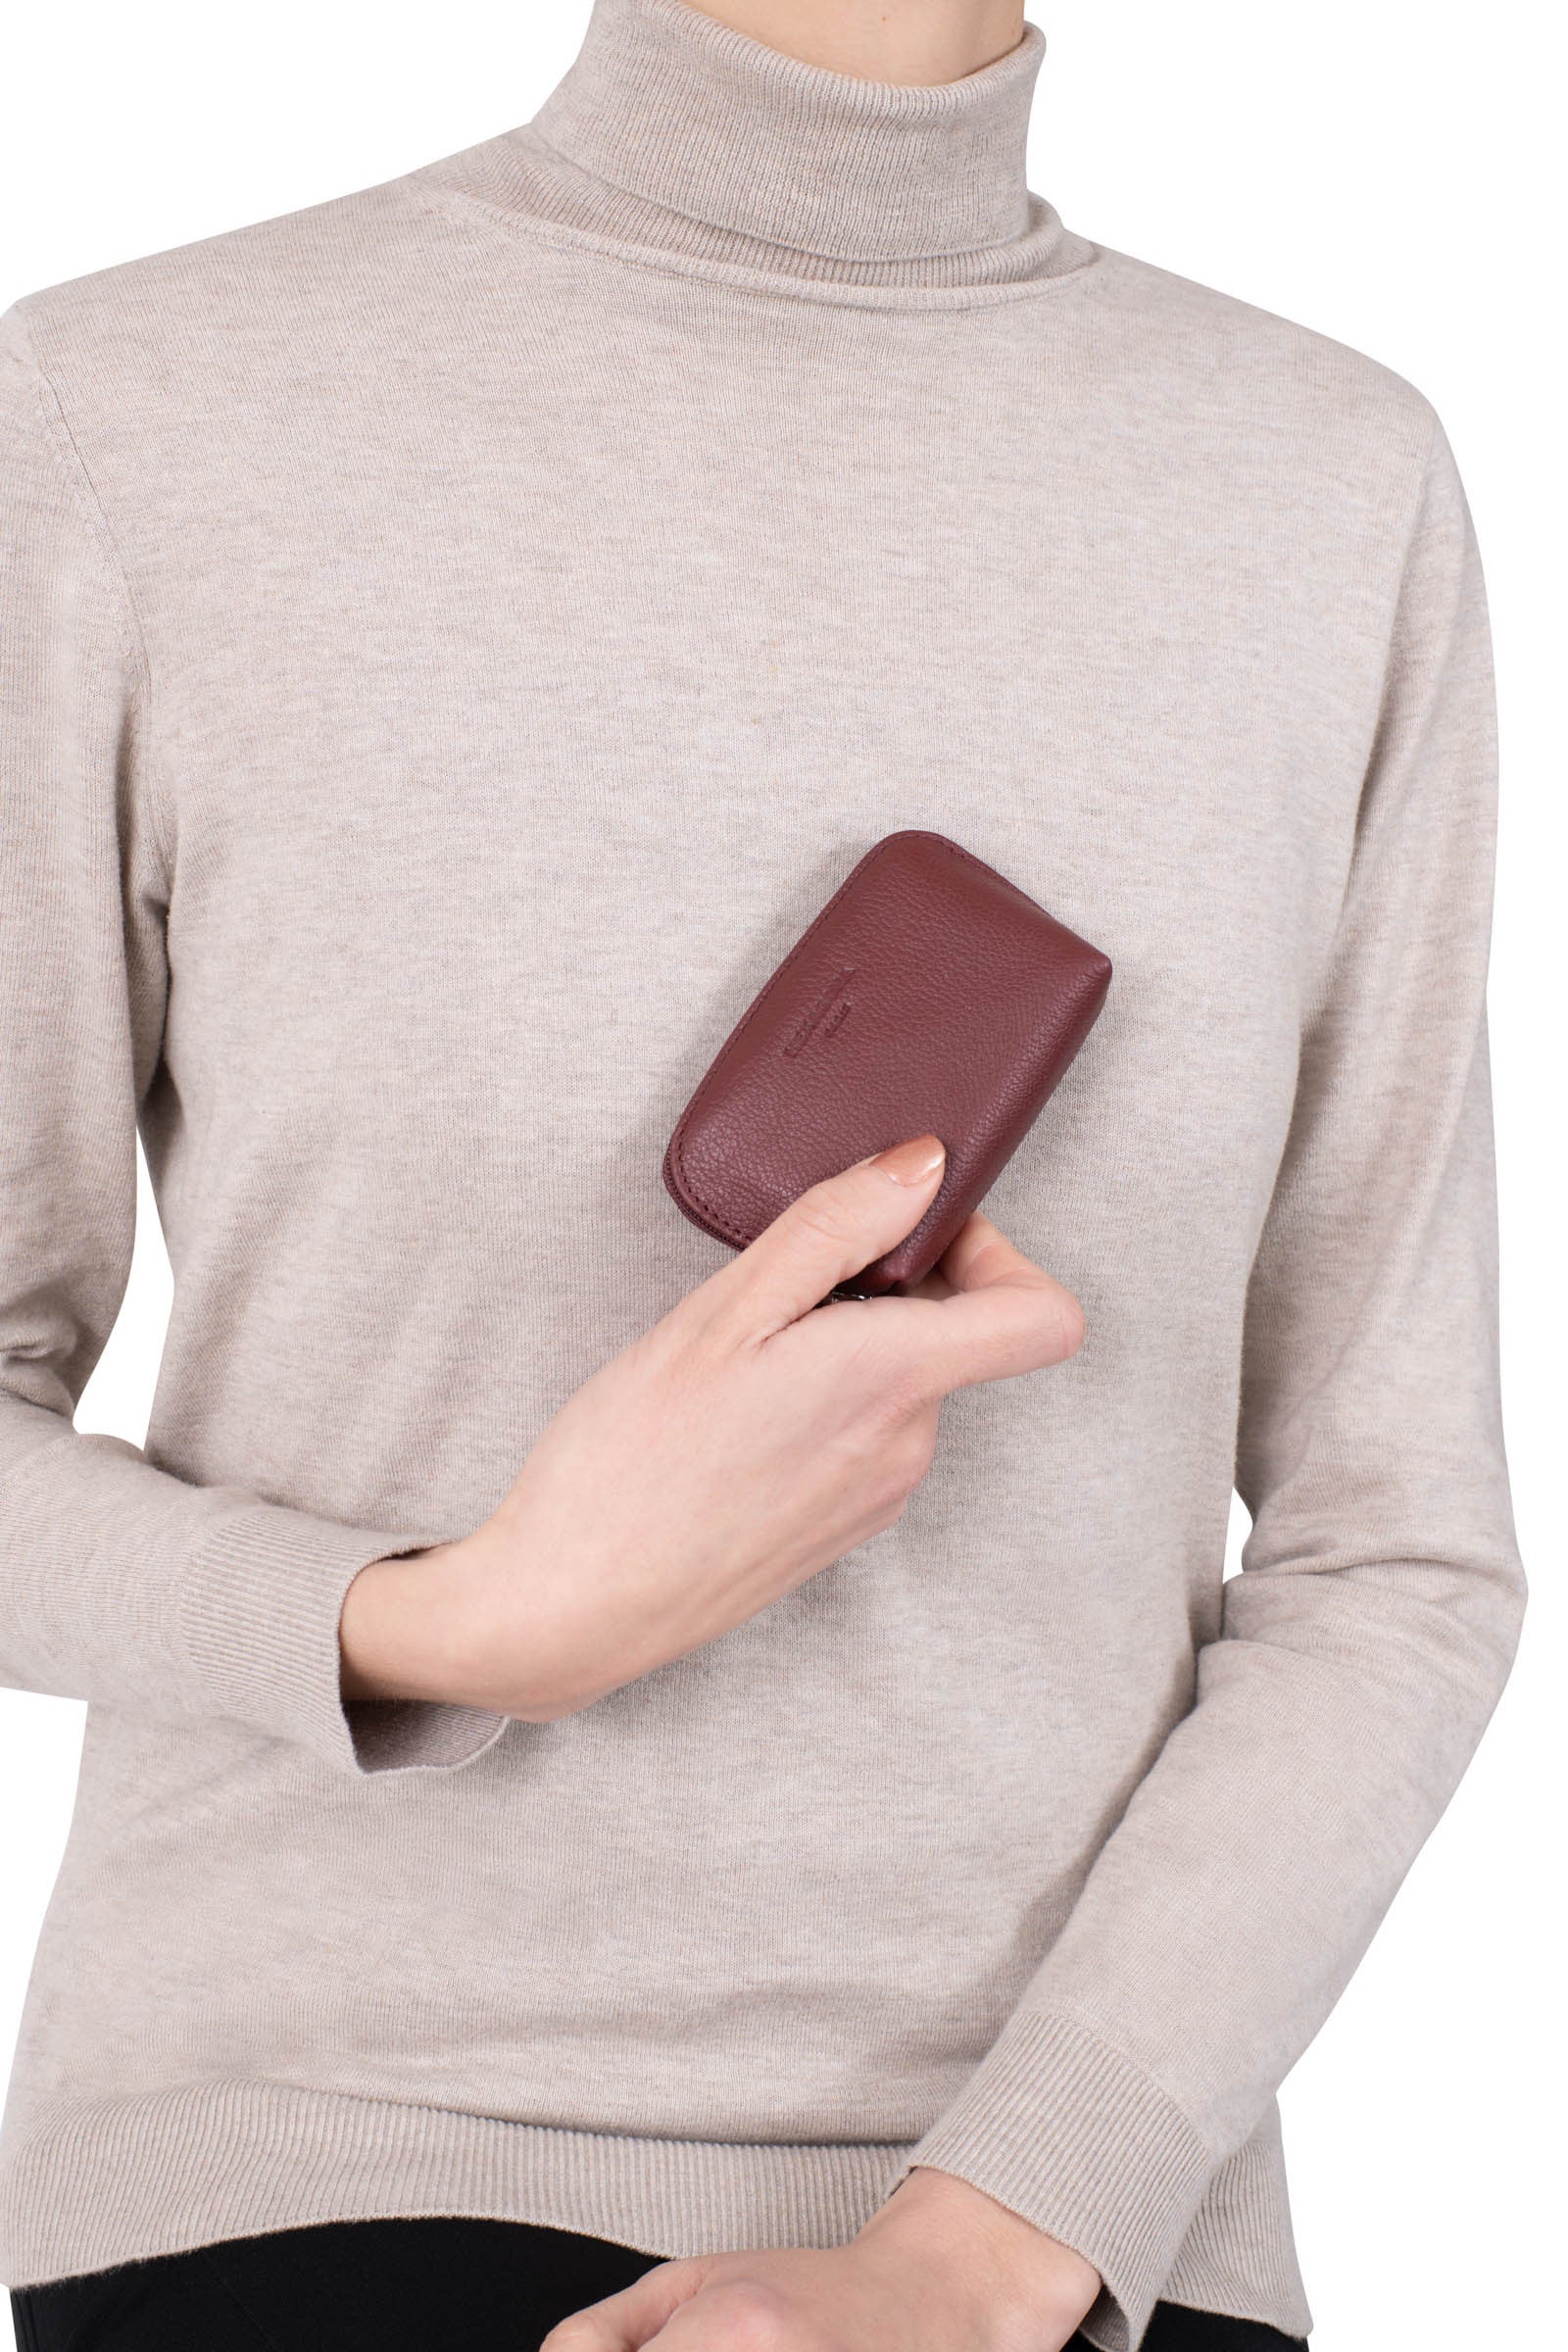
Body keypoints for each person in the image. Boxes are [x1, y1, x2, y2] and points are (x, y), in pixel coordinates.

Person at [0, 0, 1526, 2345]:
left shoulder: (1326, 483)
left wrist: (991, 2240)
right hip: (311, 2172)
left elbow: (1391, 1551)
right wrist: (454, 1622)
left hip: (1078, 2231)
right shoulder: (129, 418)